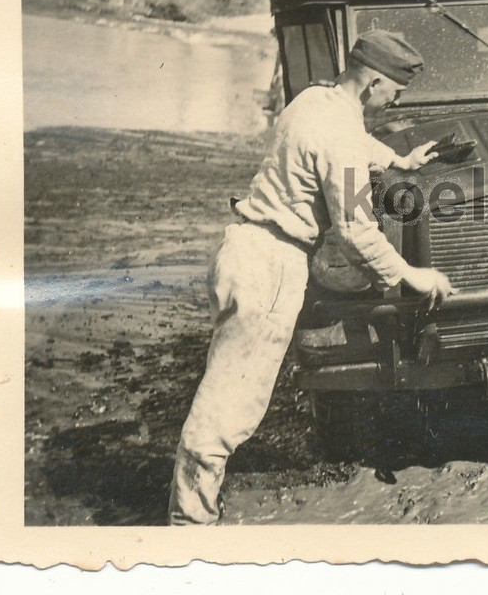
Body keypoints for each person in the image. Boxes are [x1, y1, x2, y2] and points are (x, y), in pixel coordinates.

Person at [169, 30, 456, 525]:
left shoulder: (314, 100)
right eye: (393, 92)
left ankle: (194, 510)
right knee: (230, 406)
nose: (394, 102)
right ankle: (189, 526)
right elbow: (356, 230)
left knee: (225, 389)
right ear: (372, 83)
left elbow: (346, 142)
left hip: (244, 248)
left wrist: (399, 160)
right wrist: (413, 275)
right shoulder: (340, 135)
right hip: (273, 267)